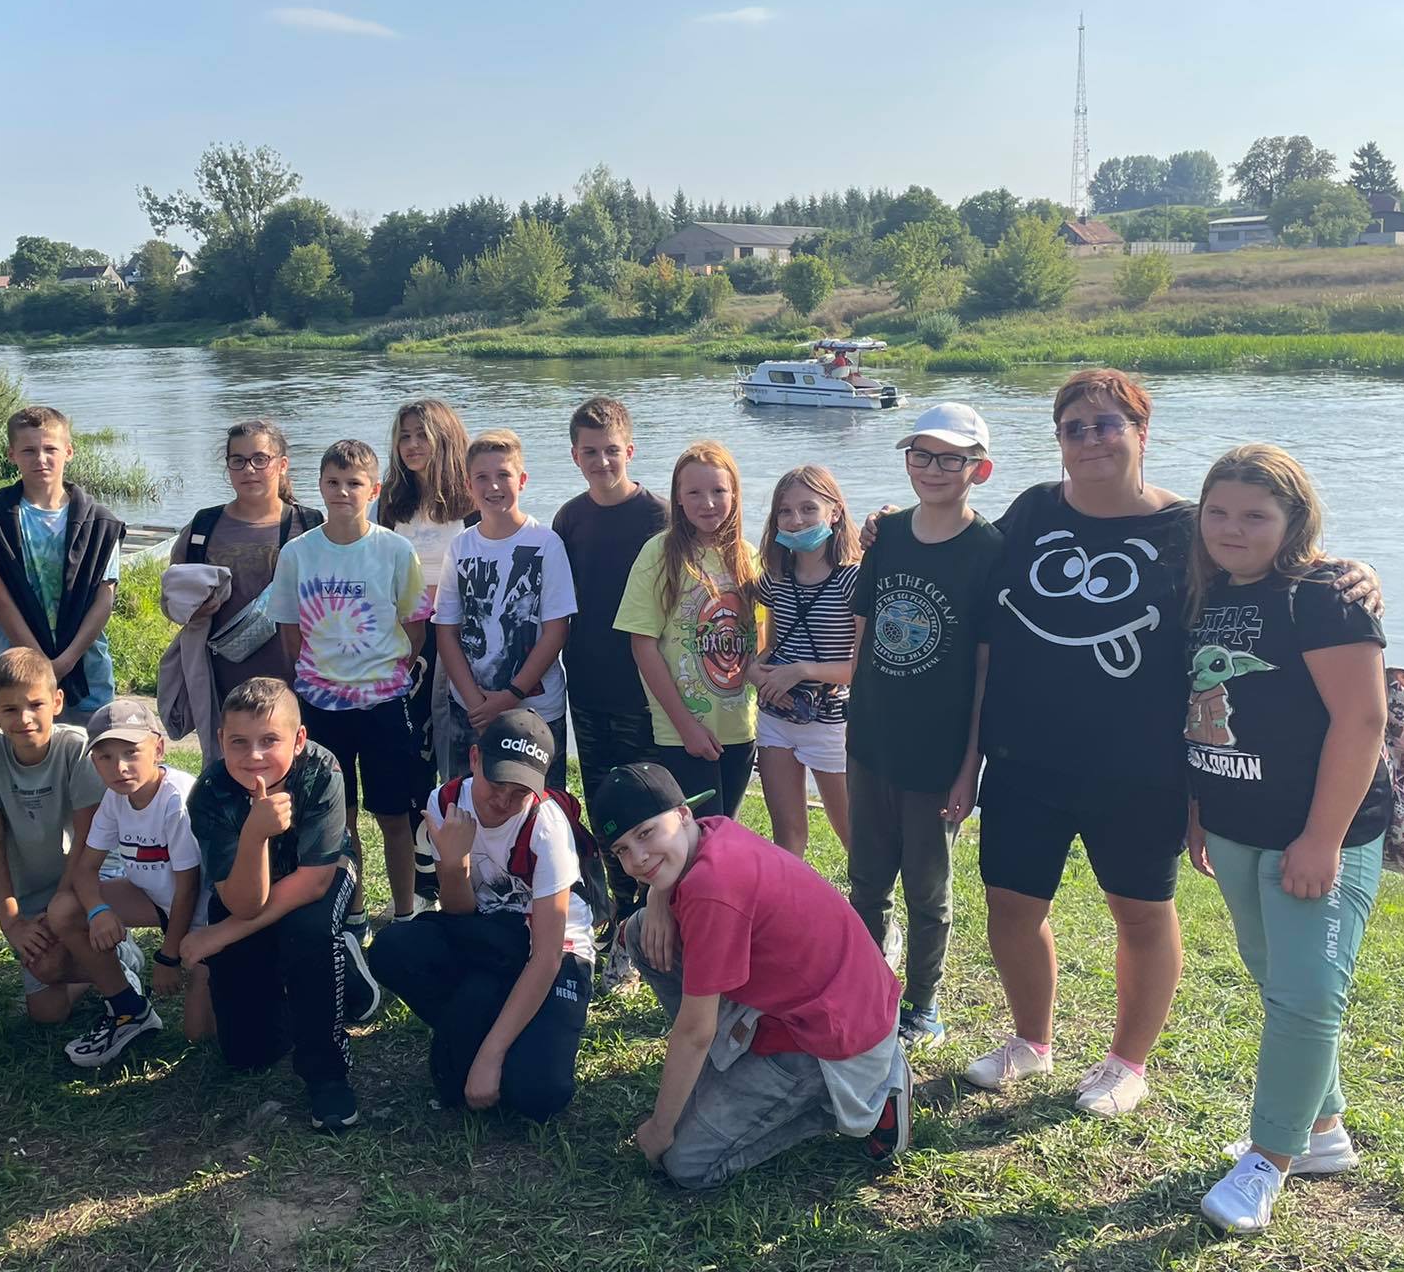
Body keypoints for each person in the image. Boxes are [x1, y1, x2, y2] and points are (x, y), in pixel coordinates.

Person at [961, 370, 1378, 1118]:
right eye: (1074, 427)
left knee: (1141, 912)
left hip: (1140, 766)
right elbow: (959, 551)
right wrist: (883, 526)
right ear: (1058, 441)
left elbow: (1272, 569)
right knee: (1011, 905)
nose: (1090, 439)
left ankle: (1128, 1062)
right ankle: (1031, 1040)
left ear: (1142, 433)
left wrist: (1351, 571)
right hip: (1024, 759)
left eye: (1107, 424)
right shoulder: (1031, 511)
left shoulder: (1191, 530)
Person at [1180, 445, 1389, 1235]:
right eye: (1218, 512)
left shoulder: (1326, 595)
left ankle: (1268, 1159)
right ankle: (1324, 1131)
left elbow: (1362, 720)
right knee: (1280, 981)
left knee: (1306, 996)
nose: (1232, 529)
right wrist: (1200, 806)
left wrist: (1322, 839)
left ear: (1293, 521)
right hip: (1235, 823)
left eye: (1255, 516)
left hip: (1319, 832)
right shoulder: (1206, 591)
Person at [596, 763, 908, 1189]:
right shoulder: (711, 830)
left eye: (645, 833)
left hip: (832, 1036)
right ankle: (727, 1069)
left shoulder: (713, 889)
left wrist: (659, 1129)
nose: (637, 859)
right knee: (641, 932)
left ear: (683, 814)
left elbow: (694, 1031)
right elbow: (669, 863)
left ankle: (856, 1099)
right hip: (818, 996)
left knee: (684, 1164)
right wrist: (657, 896)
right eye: (621, 850)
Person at [845, 402, 1003, 1050]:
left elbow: (986, 671)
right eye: (921, 455)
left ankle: (922, 1005)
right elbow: (862, 637)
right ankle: (863, 989)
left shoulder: (989, 551)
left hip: (937, 758)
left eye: (950, 459)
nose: (933, 469)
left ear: (979, 469)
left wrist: (970, 767)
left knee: (927, 891)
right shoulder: (885, 534)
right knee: (866, 879)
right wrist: (851, 720)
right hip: (869, 743)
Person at [367, 711, 594, 1122]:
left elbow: (546, 957)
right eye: (496, 783)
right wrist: (454, 865)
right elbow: (460, 913)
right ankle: (475, 1021)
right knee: (393, 948)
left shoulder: (546, 826)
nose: (503, 801)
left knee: (538, 1095)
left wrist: (491, 1055)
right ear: (474, 759)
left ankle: (484, 1031)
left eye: (519, 792)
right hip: (489, 938)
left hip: (550, 949)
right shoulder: (447, 802)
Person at [181, 677, 381, 1132]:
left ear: (299, 739)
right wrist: (254, 834)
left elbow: (313, 883)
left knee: (308, 931)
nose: (253, 755)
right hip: (250, 890)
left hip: (322, 874)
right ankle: (323, 980)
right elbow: (243, 903)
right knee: (248, 1053)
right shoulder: (209, 793)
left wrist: (221, 933)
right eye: (239, 742)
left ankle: (327, 1073)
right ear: (220, 741)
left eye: (269, 740)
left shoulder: (323, 770)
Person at [269, 438, 432, 929]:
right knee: (340, 817)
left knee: (394, 816)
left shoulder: (395, 550)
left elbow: (415, 626)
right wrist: (318, 678)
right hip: (321, 705)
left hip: (384, 703)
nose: (343, 492)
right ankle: (355, 912)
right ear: (320, 487)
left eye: (354, 484)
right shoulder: (297, 553)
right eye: (333, 483)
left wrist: (386, 673)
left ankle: (404, 913)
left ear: (374, 490)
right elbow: (289, 631)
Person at [551, 395, 668, 991]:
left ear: (631, 450)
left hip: (648, 689)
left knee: (651, 811)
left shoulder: (660, 516)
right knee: (604, 807)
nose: (602, 462)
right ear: (575, 456)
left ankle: (658, 920)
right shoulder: (569, 519)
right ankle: (621, 922)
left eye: (611, 451)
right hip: (588, 684)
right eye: (590, 452)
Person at [0, 645, 120, 1024]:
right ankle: (104, 968)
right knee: (46, 1011)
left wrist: (59, 903)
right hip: (30, 890)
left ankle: (117, 961)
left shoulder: (76, 748)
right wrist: (13, 922)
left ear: (57, 702)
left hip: (81, 884)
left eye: (35, 705)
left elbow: (85, 839)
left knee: (55, 953)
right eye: (10, 709)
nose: (24, 718)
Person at [47, 699, 204, 1068]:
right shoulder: (116, 798)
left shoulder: (176, 800)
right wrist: (98, 911)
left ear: (158, 749)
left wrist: (168, 956)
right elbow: (85, 870)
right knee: (65, 909)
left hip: (203, 914)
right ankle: (128, 1009)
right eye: (105, 757)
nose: (119, 767)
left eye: (131, 752)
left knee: (199, 1035)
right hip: (154, 899)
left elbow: (189, 888)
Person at [613, 440, 761, 821]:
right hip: (682, 732)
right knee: (696, 835)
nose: (707, 503)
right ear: (677, 498)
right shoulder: (658, 555)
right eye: (694, 492)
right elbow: (643, 646)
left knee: (725, 832)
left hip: (740, 726)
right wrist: (686, 726)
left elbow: (760, 642)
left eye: (718, 491)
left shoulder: (749, 557)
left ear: (735, 494)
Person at [163, 419, 324, 767]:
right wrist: (193, 610)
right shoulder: (203, 527)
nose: (249, 469)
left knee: (297, 771)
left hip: (298, 678)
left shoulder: (310, 525)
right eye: (238, 460)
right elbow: (171, 600)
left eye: (260, 459)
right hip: (223, 682)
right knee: (233, 769)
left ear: (282, 464)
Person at [0, 405, 125, 720]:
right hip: (18, 668)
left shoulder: (101, 522)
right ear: (12, 454)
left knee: (89, 748)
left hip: (87, 669)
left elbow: (104, 600)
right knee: (25, 743)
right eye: (29, 450)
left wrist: (66, 661)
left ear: (69, 451)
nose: (40, 458)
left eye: (50, 449)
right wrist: (41, 663)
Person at [434, 429, 576, 789]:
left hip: (536, 709)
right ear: (468, 485)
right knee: (470, 799)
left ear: (522, 480)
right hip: (471, 708)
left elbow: (556, 631)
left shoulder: (547, 544)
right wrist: (475, 702)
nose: (493, 486)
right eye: (482, 477)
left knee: (541, 802)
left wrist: (511, 695)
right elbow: (446, 631)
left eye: (503, 475)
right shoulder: (460, 547)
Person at [375, 399, 475, 905]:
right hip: (407, 645)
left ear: (445, 438)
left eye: (422, 435)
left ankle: (469, 871)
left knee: (458, 752)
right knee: (414, 755)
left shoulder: (471, 498)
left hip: (461, 642)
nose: (412, 445)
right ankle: (423, 884)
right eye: (404, 436)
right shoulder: (390, 503)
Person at [750, 465, 860, 859]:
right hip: (775, 717)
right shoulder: (774, 578)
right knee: (788, 837)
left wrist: (801, 671)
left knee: (853, 834)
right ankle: (790, 898)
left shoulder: (854, 580)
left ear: (835, 512)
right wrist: (754, 670)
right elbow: (769, 641)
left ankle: (871, 901)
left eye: (808, 508)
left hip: (830, 721)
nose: (796, 520)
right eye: (785, 511)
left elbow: (863, 668)